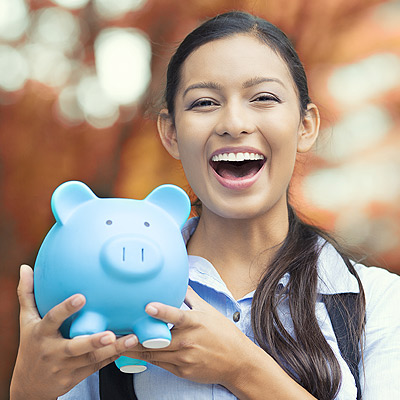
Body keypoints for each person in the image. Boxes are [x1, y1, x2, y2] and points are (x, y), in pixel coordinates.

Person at [10, 10, 400, 400]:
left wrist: (241, 368)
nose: (234, 122)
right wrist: (29, 388)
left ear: (306, 126)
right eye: (204, 102)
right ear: (171, 133)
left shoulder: (378, 302)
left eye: (263, 98)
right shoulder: (97, 290)